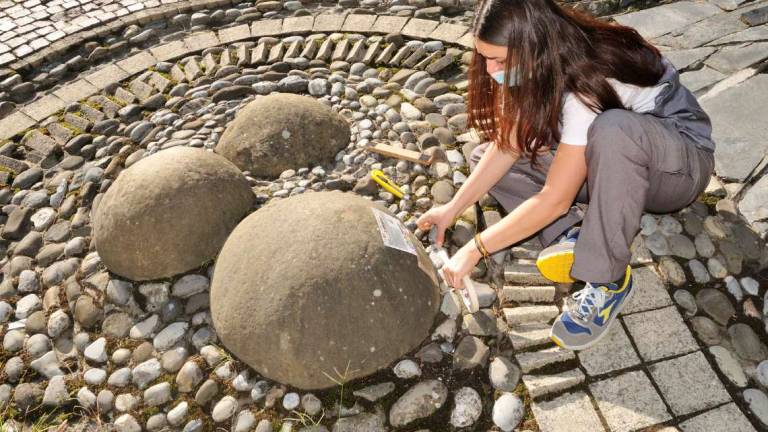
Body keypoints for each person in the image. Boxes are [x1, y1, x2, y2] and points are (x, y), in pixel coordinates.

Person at [415, 0, 715, 351]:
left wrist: (476, 248)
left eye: (498, 60)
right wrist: (452, 208)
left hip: (678, 168)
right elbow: (507, 147)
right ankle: (571, 235)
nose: (489, 69)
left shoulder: (591, 78)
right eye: (484, 57)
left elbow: (554, 198)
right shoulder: (536, 66)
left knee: (613, 129)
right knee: (486, 154)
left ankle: (608, 280)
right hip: (616, 164)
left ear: (534, 48)